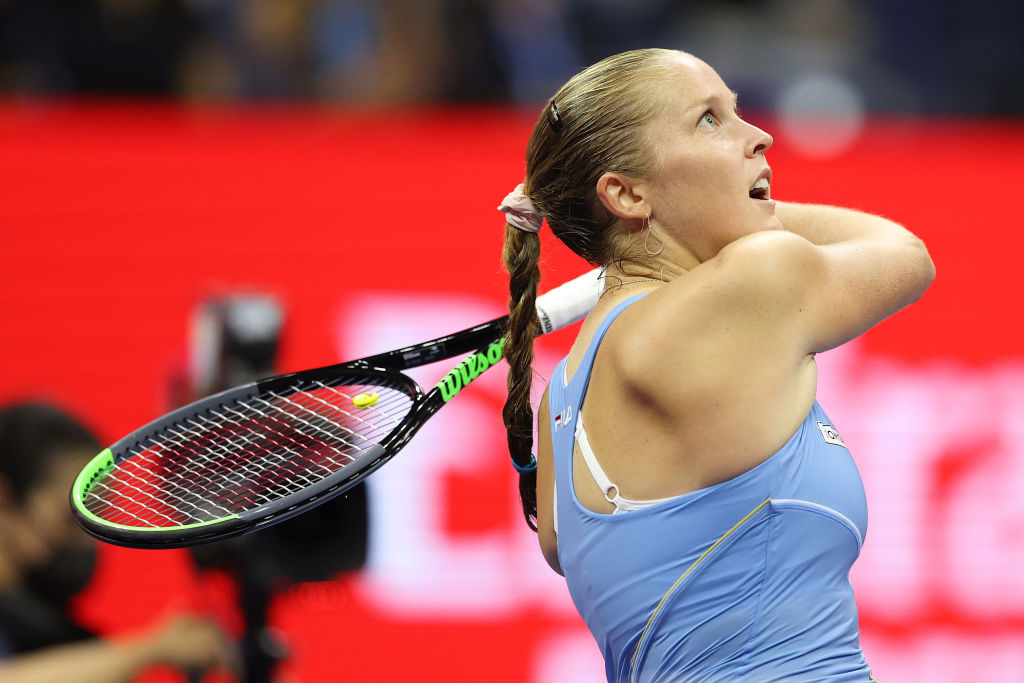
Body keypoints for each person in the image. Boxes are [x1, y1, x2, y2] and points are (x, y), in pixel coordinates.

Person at [497, 49, 934, 682]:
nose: (760, 136)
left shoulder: (559, 400)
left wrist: (710, 209)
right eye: (710, 120)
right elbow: (906, 256)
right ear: (626, 193)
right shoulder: (756, 281)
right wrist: (741, 217)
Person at [0, 402, 237, 683]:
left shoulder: (53, 631)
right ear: (5, 500)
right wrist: (151, 650)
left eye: (95, 521)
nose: (87, 542)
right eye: (70, 518)